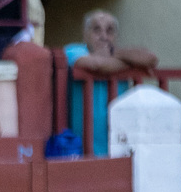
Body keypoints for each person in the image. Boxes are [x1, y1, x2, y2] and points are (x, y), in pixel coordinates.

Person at [64, 9, 158, 157]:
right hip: (81, 149)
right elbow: (97, 65)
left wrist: (114, 52)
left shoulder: (119, 52)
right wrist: (131, 63)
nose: (104, 37)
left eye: (110, 31)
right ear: (85, 34)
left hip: (119, 148)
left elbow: (150, 59)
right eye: (97, 30)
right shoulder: (73, 50)